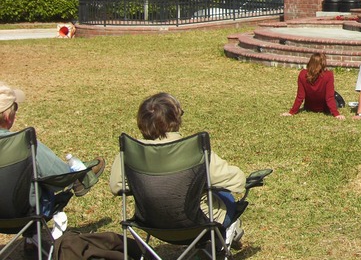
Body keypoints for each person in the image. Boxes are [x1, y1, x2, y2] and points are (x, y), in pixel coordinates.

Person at [109, 93, 247, 247]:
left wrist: (147, 185)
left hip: (151, 224)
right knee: (225, 196)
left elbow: (116, 186)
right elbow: (238, 182)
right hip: (199, 226)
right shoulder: (195, 151)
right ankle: (226, 234)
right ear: (176, 119)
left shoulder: (129, 153)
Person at [0, 81, 105, 235]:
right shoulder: (25, 144)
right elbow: (59, 176)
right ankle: (81, 176)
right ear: (8, 116)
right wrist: (73, 175)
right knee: (42, 181)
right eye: (15, 107)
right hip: (25, 216)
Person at [282, 52, 344, 120]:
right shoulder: (328, 75)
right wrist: (336, 114)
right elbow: (329, 97)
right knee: (335, 96)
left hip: (309, 107)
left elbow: (300, 96)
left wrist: (291, 112)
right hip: (325, 108)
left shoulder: (302, 74)